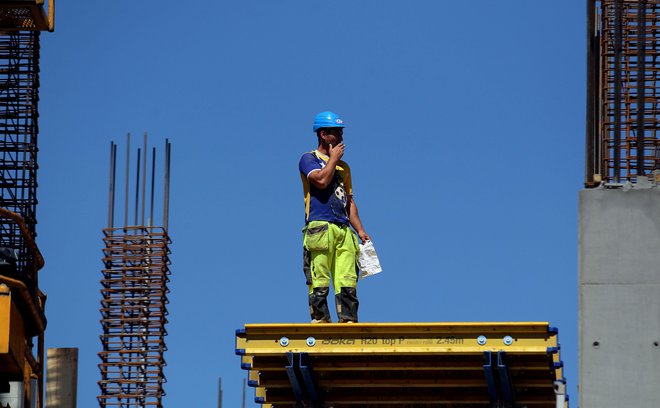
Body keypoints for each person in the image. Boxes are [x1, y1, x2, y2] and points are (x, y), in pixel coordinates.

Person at [298, 111, 371, 323]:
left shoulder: (344, 167)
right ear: (323, 134)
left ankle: (348, 320)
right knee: (319, 277)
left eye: (341, 132)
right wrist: (333, 159)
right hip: (319, 227)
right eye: (336, 133)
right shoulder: (309, 159)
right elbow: (320, 180)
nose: (340, 137)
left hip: (343, 229)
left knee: (347, 277)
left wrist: (360, 230)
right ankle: (321, 320)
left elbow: (348, 201)